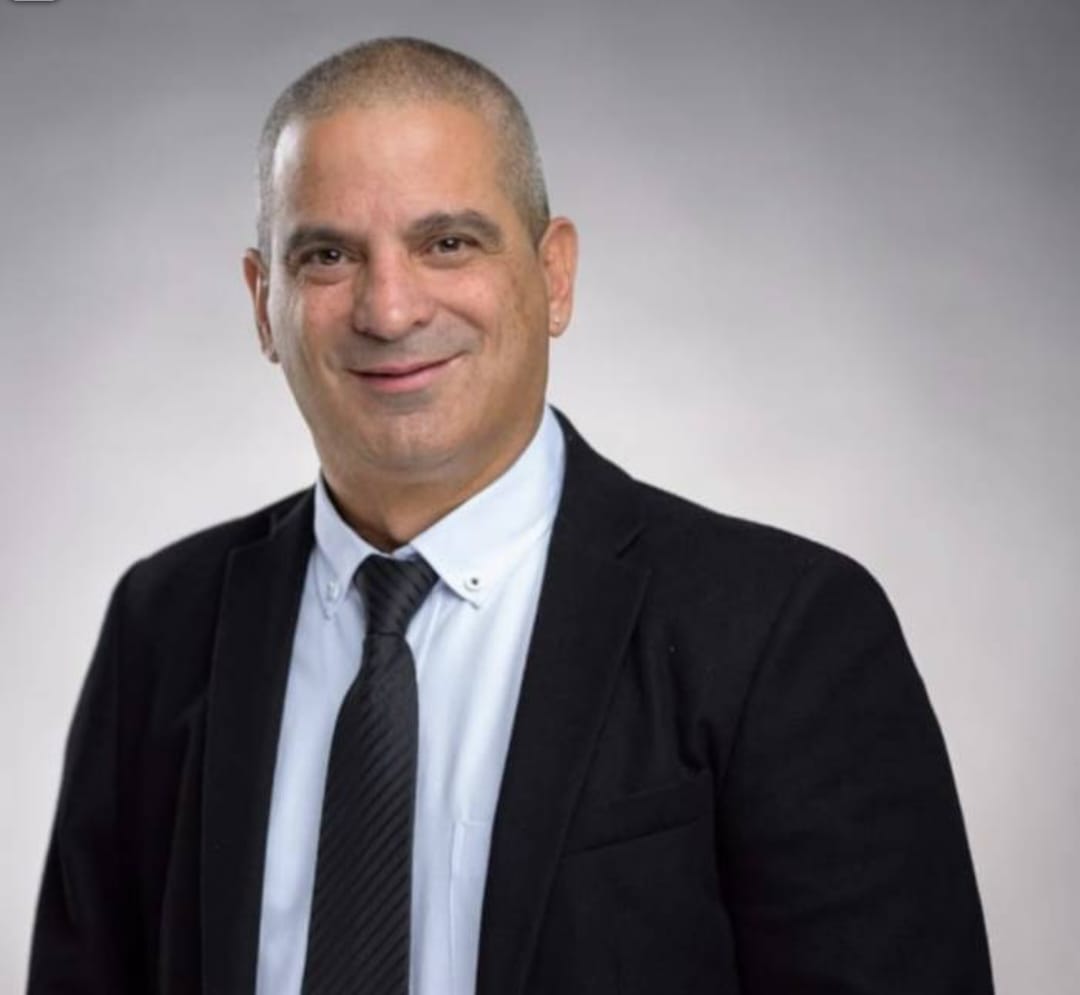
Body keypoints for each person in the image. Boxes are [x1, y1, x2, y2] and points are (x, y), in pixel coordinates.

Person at [28, 36, 994, 995]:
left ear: (554, 274)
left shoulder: (782, 630)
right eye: (327, 255)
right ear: (262, 301)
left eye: (447, 242)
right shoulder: (163, 625)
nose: (390, 310)